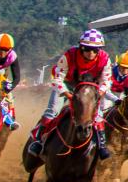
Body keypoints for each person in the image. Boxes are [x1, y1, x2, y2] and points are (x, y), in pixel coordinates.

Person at [28, 29, 113, 159]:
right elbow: (57, 78)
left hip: (89, 89)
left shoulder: (105, 59)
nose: (91, 53)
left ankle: (102, 145)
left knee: (98, 115)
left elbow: (106, 81)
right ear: (81, 47)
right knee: (52, 110)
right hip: (67, 85)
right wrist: (68, 95)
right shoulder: (69, 55)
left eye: (95, 50)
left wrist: (99, 93)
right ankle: (38, 141)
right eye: (87, 49)